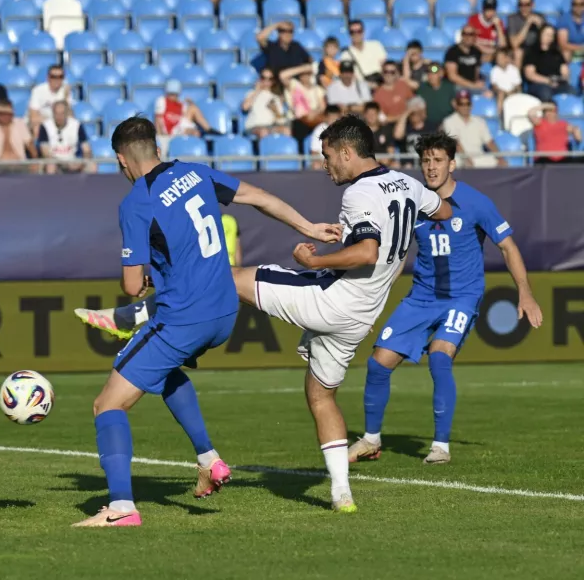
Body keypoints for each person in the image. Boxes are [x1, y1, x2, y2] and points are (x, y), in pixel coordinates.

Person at [78, 115, 452, 513]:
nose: (325, 165)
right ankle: (341, 494)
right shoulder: (409, 184)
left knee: (229, 280)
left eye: (327, 156)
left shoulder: (359, 194)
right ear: (158, 147)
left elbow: (366, 252)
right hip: (362, 315)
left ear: (121, 159)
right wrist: (322, 225)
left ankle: (132, 322)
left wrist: (313, 258)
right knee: (320, 395)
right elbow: (443, 211)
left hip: (327, 299)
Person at [70, 116, 341, 527]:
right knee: (164, 373)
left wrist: (142, 281)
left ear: (123, 160)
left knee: (107, 404)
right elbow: (261, 197)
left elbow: (130, 283)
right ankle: (208, 459)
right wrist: (309, 227)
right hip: (225, 310)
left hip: (185, 318)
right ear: (156, 147)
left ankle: (122, 509)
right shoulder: (195, 173)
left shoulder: (137, 201)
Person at [349, 132, 542, 465]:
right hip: (421, 297)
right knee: (377, 363)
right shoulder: (414, 203)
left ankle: (441, 446)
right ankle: (371, 440)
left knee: (440, 357)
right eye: (425, 160)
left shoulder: (476, 202)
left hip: (461, 297)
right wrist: (372, 307)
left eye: (438, 160)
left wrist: (525, 292)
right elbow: (397, 259)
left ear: (452, 164)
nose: (431, 167)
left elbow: (508, 246)